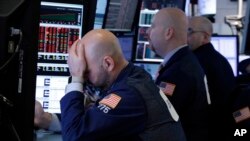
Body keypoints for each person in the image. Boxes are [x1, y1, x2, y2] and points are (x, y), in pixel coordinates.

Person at [60, 29, 186, 141]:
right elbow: (96, 120)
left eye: (86, 72)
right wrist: (49, 120)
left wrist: (76, 78)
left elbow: (74, 137)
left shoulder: (130, 94)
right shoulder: (135, 76)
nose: (84, 78)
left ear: (108, 64)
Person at [146, 8, 211, 141]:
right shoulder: (184, 61)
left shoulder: (177, 74)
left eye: (152, 26)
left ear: (168, 33)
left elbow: (154, 119)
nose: (147, 32)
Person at [187, 16, 236, 140]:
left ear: (205, 37)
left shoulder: (196, 63)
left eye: (189, 31)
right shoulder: (218, 59)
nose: (184, 36)